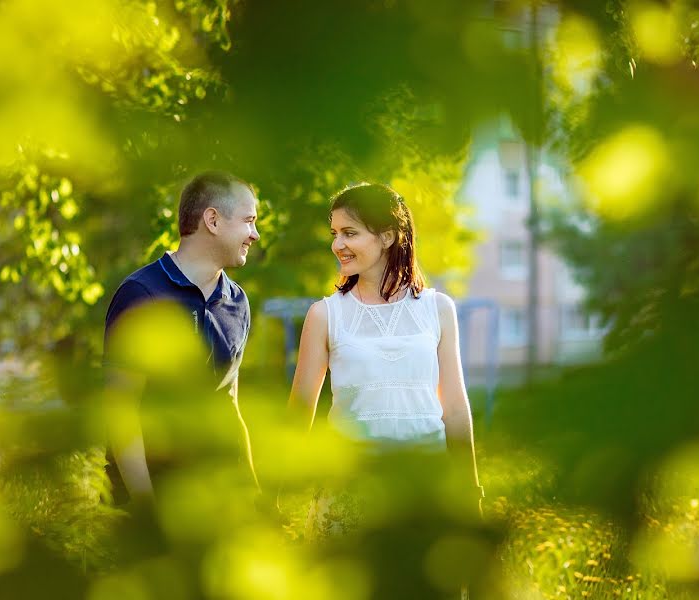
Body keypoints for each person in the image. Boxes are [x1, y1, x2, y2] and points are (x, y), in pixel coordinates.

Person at [288, 182, 483, 538]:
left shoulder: (438, 309)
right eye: (334, 233)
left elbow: (454, 406)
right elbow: (299, 415)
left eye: (350, 233)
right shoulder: (324, 315)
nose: (337, 245)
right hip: (348, 492)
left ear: (389, 237)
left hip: (425, 487)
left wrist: (470, 489)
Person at [103, 171, 261, 504]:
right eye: (249, 221)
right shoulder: (142, 294)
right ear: (213, 220)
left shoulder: (238, 302)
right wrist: (146, 508)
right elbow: (121, 409)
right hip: (143, 503)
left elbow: (228, 403)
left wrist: (254, 496)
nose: (255, 235)